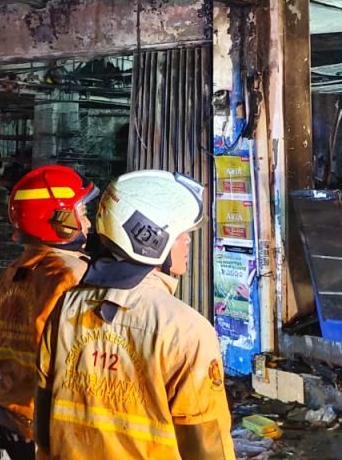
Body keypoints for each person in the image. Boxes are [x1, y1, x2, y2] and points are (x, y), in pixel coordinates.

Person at [35, 170, 236, 460]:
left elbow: (44, 427)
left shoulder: (66, 306)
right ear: (150, 238)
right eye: (181, 234)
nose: (188, 242)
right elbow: (207, 448)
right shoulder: (187, 331)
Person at [0, 165, 97, 460]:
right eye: (82, 213)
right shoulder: (72, 276)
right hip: (49, 428)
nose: (88, 223)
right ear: (59, 221)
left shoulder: (11, 274)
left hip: (9, 417)